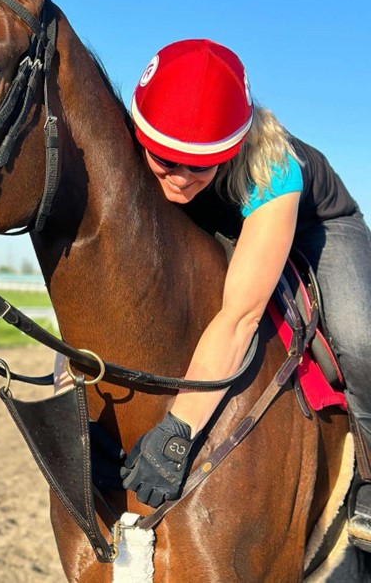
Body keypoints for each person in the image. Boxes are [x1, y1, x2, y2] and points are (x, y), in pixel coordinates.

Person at [119, 38, 371, 551]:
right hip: (232, 220)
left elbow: (240, 318)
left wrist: (178, 431)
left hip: (315, 227)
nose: (181, 176)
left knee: (364, 339)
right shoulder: (138, 137)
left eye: (201, 165)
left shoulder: (271, 169)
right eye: (166, 159)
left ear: (229, 151)